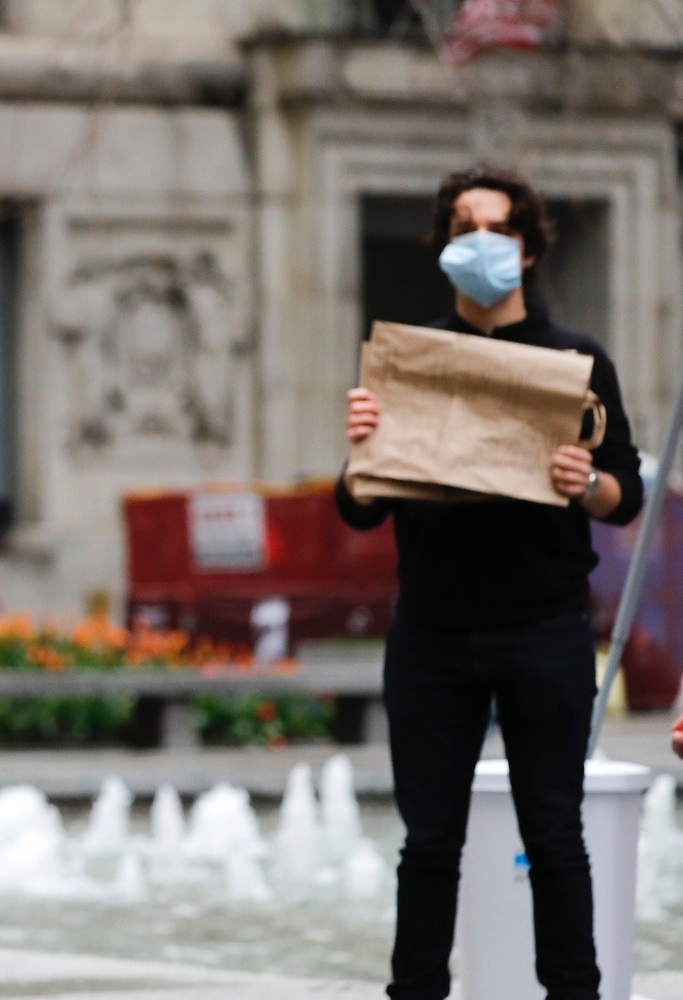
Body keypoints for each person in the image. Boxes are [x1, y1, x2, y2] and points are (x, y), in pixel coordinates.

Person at [337, 166, 643, 1000]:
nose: (480, 243)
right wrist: (364, 448)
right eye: (463, 225)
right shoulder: (409, 360)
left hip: (544, 630)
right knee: (427, 845)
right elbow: (359, 506)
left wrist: (587, 480)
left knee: (554, 836)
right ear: (442, 246)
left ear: (530, 249)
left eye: (497, 229)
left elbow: (626, 496)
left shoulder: (577, 362)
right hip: (431, 634)